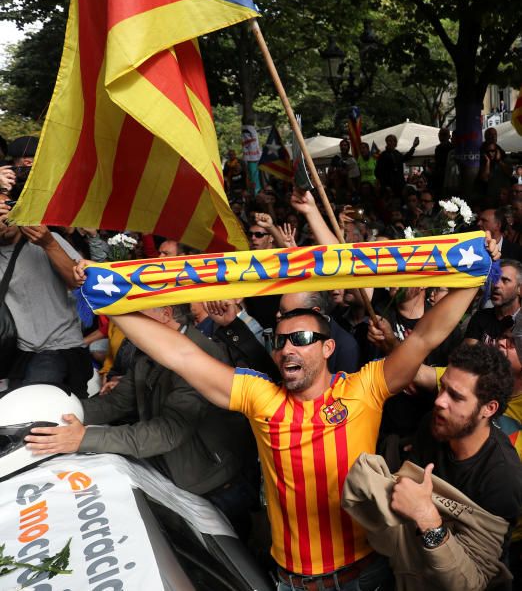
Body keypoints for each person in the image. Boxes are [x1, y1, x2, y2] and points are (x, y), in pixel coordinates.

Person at [66, 236, 498, 590]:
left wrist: (473, 277)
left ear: (328, 348)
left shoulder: (363, 389)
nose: (287, 347)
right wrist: (108, 299)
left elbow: (423, 339)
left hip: (364, 577)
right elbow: (179, 354)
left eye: (303, 338)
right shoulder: (261, 397)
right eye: (280, 340)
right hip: (288, 582)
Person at [25, 303, 259, 539]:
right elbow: (115, 403)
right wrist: (56, 414)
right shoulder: (150, 352)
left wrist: (83, 438)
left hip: (216, 487)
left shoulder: (201, 357)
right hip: (177, 477)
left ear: (165, 314)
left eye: (134, 316)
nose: (128, 327)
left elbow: (169, 431)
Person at [392, 343, 522, 589]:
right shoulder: (434, 425)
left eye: (456, 396)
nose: (440, 401)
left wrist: (427, 518)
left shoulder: (503, 478)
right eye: (443, 388)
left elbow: (473, 579)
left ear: (489, 408)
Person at [0, 194, 92, 397]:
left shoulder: (47, 242)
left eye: (6, 211)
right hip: (19, 353)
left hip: (59, 347)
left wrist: (49, 242)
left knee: (35, 405)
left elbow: (79, 282)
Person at [465, 259, 522, 345]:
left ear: (520, 289)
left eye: (505, 280)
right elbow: (467, 355)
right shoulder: (480, 317)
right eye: (495, 279)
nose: (496, 285)